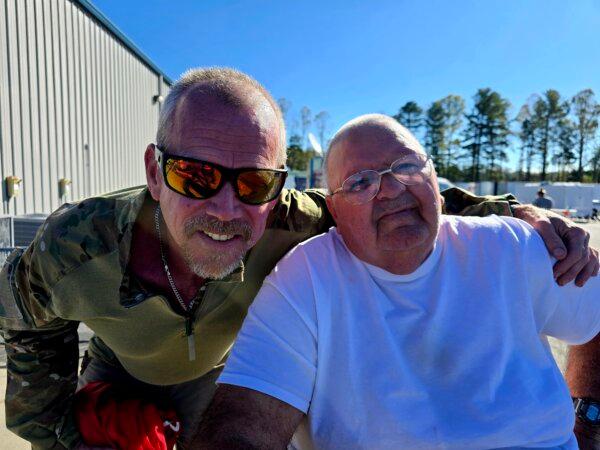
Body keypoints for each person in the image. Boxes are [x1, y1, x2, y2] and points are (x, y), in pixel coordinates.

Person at [0, 69, 595, 450]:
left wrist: (519, 215)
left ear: (278, 186)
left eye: (254, 183)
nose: (228, 208)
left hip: (211, 375)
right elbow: (23, 320)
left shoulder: (294, 220)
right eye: (196, 175)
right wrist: (58, 436)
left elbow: (403, 196)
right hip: (117, 363)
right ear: (155, 172)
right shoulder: (76, 246)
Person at [192, 114, 600, 450]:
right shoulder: (306, 277)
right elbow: (243, 423)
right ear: (332, 208)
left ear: (435, 181)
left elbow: (595, 311)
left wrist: (590, 417)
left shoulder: (511, 247)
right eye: (360, 182)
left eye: (405, 166)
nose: (390, 189)